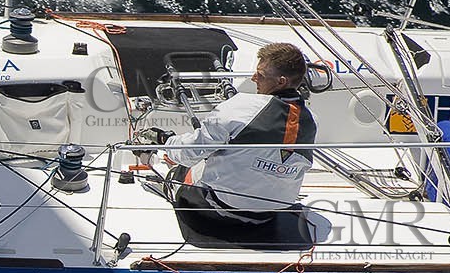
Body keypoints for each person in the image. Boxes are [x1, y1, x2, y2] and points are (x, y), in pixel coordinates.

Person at [136, 42, 319, 230]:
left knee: (184, 169)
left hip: (223, 210)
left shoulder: (241, 107)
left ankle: (160, 172)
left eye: (261, 75)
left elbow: (188, 154)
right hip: (273, 213)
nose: (254, 78)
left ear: (281, 82)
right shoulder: (311, 121)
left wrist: (165, 141)